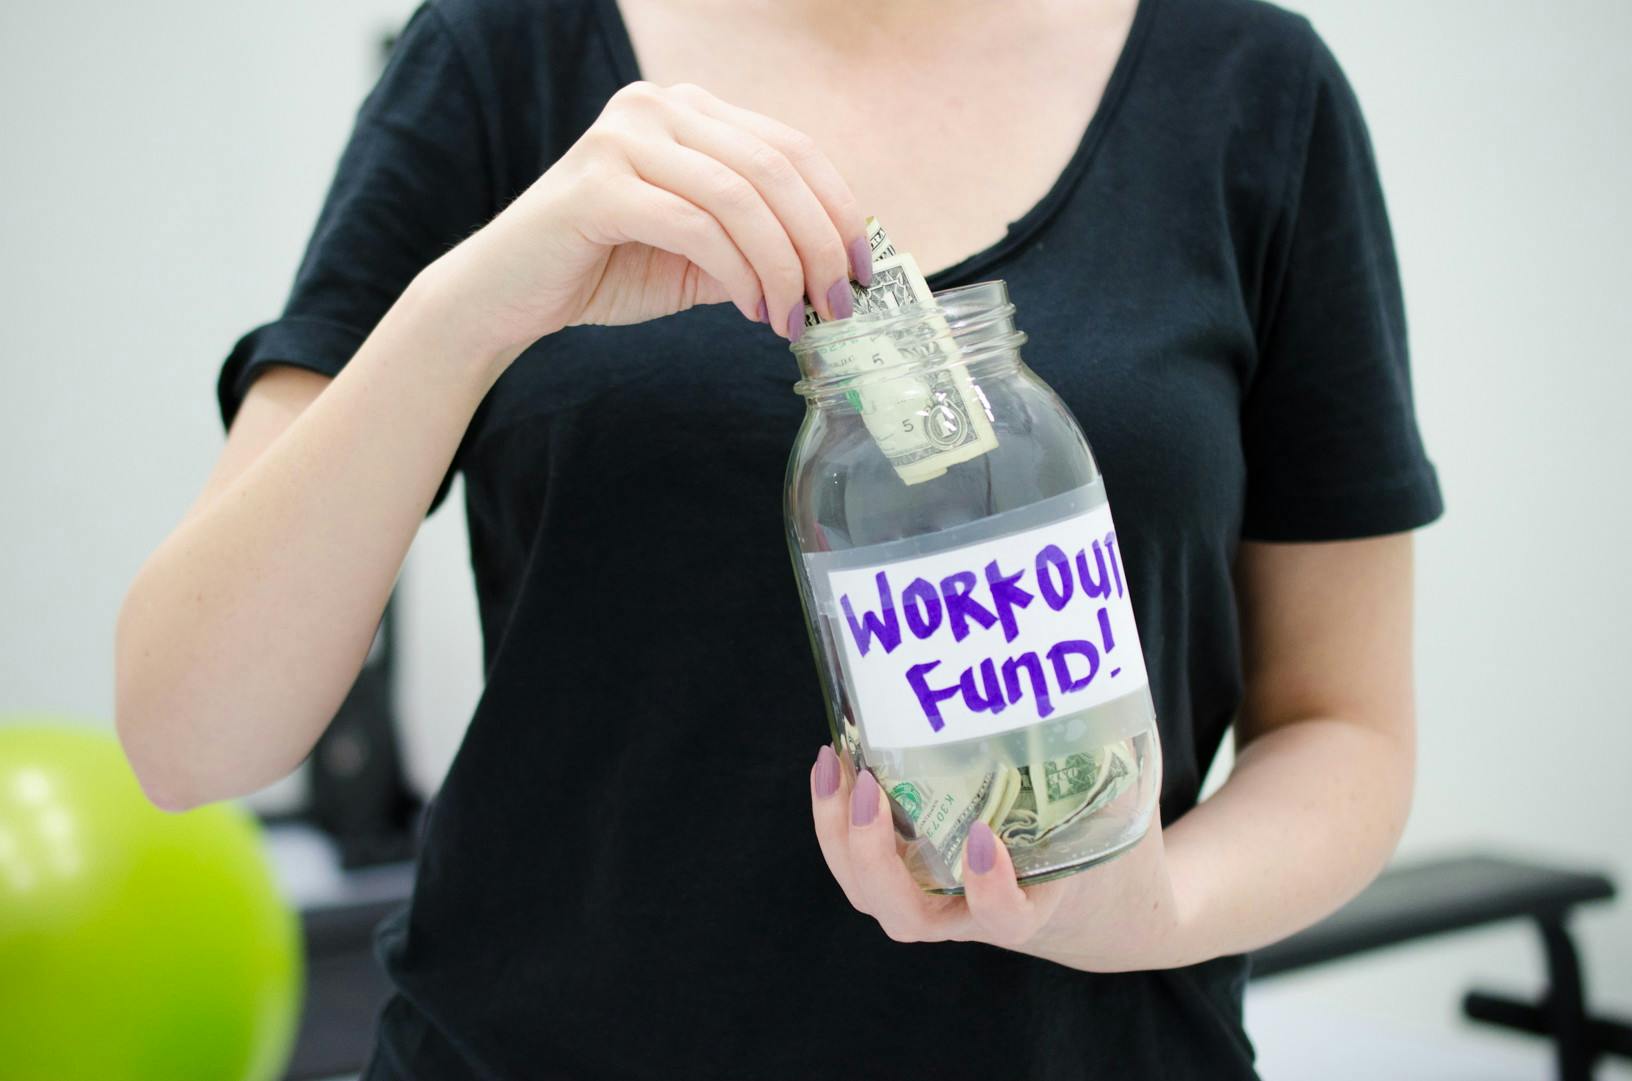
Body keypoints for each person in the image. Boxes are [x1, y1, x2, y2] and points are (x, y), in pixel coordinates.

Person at [114, 0, 1443, 1076]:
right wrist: (475, 301)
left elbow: (1344, 726)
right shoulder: (498, 52)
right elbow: (188, 737)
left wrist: (1144, 906)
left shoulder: (1256, 87)